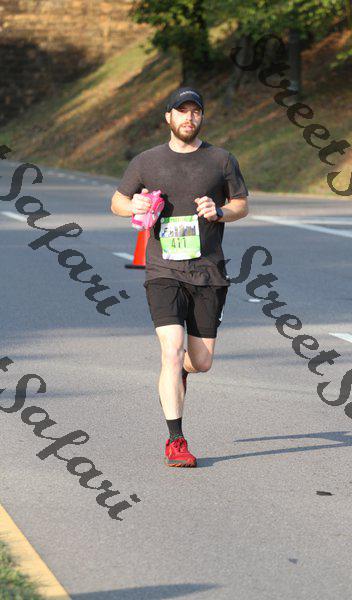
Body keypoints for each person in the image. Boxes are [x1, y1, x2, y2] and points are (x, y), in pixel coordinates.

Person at [111, 86, 249, 467]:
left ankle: (182, 373)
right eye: (182, 111)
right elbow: (117, 201)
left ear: (201, 117)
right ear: (168, 117)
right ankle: (176, 441)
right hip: (164, 271)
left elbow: (241, 204)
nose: (189, 118)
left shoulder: (221, 160)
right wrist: (134, 204)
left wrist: (220, 211)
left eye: (195, 111)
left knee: (200, 361)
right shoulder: (146, 161)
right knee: (171, 350)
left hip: (208, 272)